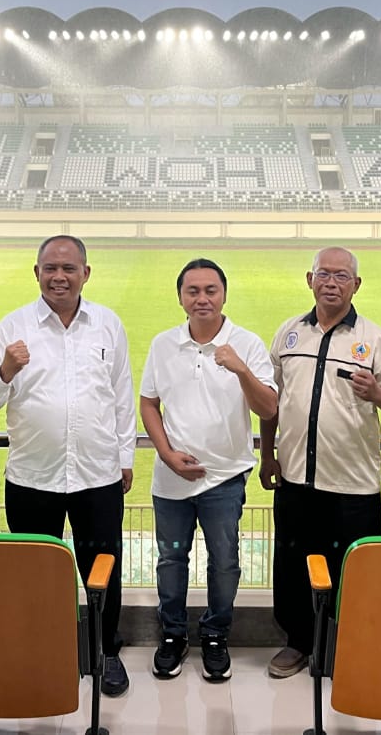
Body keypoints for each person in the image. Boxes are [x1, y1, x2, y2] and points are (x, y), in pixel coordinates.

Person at [0, 235, 136, 698]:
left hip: (97, 476)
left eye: (68, 268)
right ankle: (42, 652)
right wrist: (5, 370)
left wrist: (124, 458)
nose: (59, 277)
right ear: (37, 272)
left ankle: (106, 651)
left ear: (86, 273)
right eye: (50, 268)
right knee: (35, 575)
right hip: (32, 478)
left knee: (103, 570)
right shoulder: (14, 326)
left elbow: (122, 396)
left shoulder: (107, 324)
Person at [258, 247, 381, 678]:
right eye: (324, 274)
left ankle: (349, 648)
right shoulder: (289, 333)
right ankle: (297, 643)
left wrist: (377, 393)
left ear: (356, 285)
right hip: (295, 479)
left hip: (353, 486)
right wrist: (268, 454)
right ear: (310, 280)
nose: (331, 283)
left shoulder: (374, 338)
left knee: (354, 573)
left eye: (342, 276)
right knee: (293, 566)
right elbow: (270, 402)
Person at [140, 258, 277, 682]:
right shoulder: (163, 344)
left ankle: (216, 635)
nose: (202, 298)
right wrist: (166, 453)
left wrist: (241, 370)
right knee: (170, 559)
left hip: (225, 477)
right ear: (181, 297)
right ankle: (173, 634)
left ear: (224, 294)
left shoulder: (247, 344)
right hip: (171, 479)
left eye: (210, 290)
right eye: (193, 291)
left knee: (224, 562)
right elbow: (149, 403)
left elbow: (268, 408)